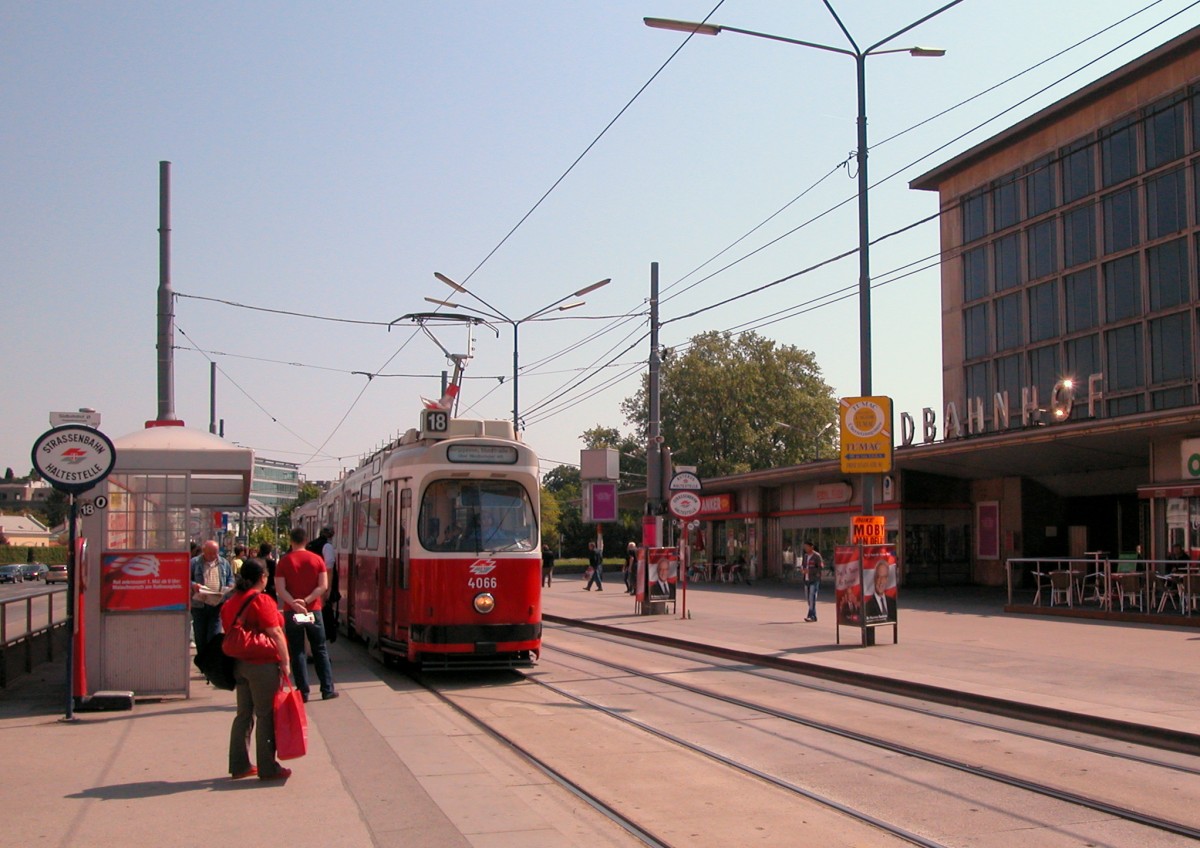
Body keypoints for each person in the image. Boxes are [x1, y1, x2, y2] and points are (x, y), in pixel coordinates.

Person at [223, 558, 292, 782]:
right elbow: (275, 632)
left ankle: (239, 765)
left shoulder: (232, 600)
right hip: (261, 665)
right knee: (265, 715)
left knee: (244, 714)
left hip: (238, 663)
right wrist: (285, 661)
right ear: (262, 577)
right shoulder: (261, 600)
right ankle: (268, 767)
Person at [276, 527, 338, 702]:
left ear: (291, 541)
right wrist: (307, 600)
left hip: (292, 612)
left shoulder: (284, 562)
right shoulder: (317, 560)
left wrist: (295, 603)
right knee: (320, 649)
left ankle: (302, 692)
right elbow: (323, 586)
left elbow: (280, 589)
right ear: (306, 540)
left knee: (297, 652)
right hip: (313, 610)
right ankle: (327, 689)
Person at [189, 540, 234, 649]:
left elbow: (230, 578)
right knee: (200, 635)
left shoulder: (224, 563)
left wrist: (230, 586)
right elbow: (186, 578)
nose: (214, 556)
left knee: (214, 635)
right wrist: (194, 585)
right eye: (211, 553)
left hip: (217, 604)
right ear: (204, 551)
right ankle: (202, 660)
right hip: (200, 604)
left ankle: (211, 661)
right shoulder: (194, 563)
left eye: (216, 553)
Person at [307, 527, 339, 643]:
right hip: (321, 586)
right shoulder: (327, 547)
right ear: (330, 536)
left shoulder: (310, 545)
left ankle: (311, 643)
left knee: (310, 615)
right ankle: (320, 643)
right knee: (323, 616)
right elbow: (329, 569)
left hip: (309, 586)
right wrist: (328, 589)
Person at [800, 540, 823, 622]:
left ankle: (811, 616)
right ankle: (814, 615)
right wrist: (802, 569)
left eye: (807, 546)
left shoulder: (817, 556)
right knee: (808, 599)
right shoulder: (805, 556)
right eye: (804, 547)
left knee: (812, 597)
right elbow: (803, 565)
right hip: (806, 580)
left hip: (814, 580)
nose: (805, 548)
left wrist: (810, 571)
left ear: (811, 547)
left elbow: (820, 568)